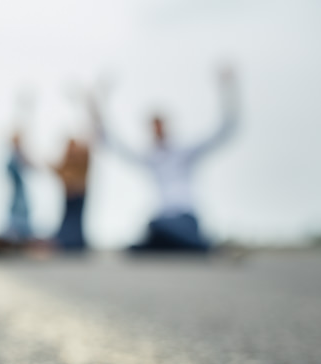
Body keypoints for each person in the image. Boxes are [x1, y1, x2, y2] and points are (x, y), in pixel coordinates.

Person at [97, 67, 238, 252]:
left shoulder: (185, 151)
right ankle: (193, 247)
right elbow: (114, 145)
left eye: (160, 124)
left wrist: (228, 89)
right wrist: (99, 104)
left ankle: (210, 248)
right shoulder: (151, 158)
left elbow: (224, 130)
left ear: (166, 126)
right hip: (163, 217)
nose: (157, 129)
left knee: (157, 227)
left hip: (186, 216)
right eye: (153, 126)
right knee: (138, 247)